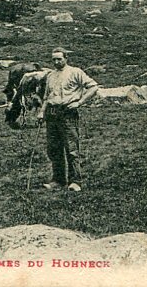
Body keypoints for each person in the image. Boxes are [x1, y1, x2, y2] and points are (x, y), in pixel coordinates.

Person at [36, 47, 98, 192]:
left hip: (67, 114)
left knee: (71, 149)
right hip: (52, 114)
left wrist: (80, 102)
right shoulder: (50, 75)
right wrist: (41, 112)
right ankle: (58, 180)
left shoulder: (75, 72)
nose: (56, 62)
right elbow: (47, 97)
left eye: (59, 59)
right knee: (53, 149)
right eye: (54, 60)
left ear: (66, 58)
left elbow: (93, 87)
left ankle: (75, 181)